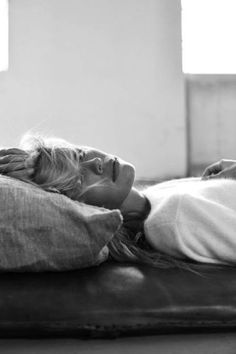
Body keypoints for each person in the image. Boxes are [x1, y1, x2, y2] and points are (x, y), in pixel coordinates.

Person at [1, 133, 236, 272]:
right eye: (80, 178)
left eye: (80, 154)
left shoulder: (159, 194)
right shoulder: (175, 217)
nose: (96, 163)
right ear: (81, 206)